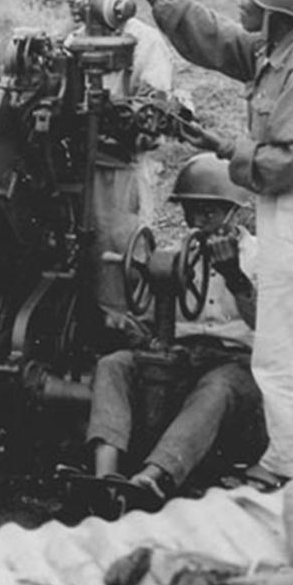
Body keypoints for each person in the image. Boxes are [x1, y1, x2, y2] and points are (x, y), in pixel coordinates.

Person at [98, 0, 293, 487]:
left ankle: (289, 466)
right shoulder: (276, 51)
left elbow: (291, 162)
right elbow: (214, 36)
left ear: (276, 10)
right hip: (289, 205)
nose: (240, 4)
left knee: (284, 348)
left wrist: (225, 146)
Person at [86, 154, 264, 509]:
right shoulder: (173, 255)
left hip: (236, 360)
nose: (198, 222)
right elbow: (152, 316)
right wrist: (133, 325)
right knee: (114, 365)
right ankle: (104, 477)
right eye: (191, 212)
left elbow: (265, 323)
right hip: (182, 350)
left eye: (208, 213)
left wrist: (234, 276)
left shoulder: (259, 256)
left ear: (235, 211)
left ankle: (154, 476)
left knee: (217, 389)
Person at [57, 0, 175, 316]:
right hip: (77, 168)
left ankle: (122, 328)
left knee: (119, 256)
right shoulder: (70, 40)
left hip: (121, 170)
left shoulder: (144, 42)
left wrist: (118, 117)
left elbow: (153, 117)